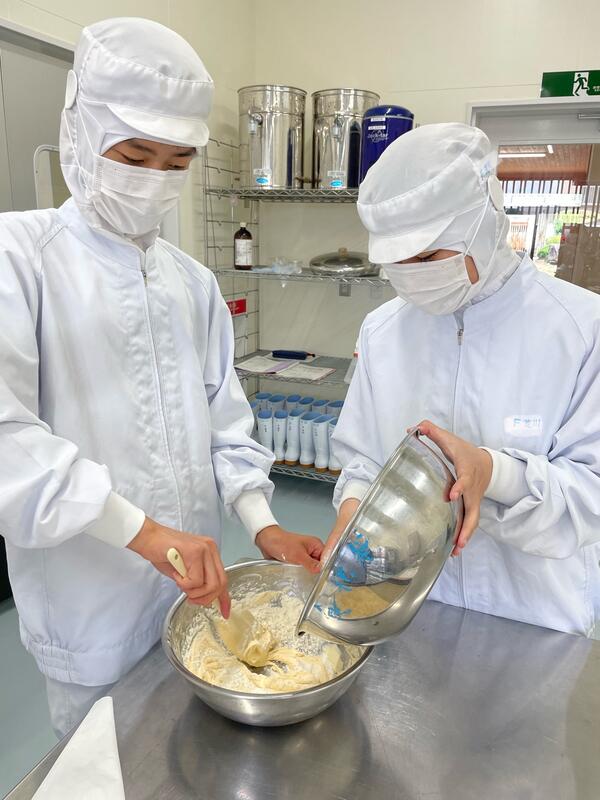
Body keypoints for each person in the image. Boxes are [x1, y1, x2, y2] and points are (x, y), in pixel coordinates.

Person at [0, 17, 322, 738]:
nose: (154, 179)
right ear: (80, 135)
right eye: (135, 154)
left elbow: (225, 422)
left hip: (195, 600)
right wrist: (140, 531)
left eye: (176, 161)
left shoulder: (191, 282)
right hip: (89, 607)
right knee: (104, 765)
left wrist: (263, 524)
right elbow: (7, 442)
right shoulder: (17, 261)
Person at [327, 122, 600, 636]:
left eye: (428, 257)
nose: (414, 274)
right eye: (398, 263)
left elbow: (592, 495)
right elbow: (363, 458)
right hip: (415, 606)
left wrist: (494, 473)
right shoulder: (383, 330)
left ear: (488, 221)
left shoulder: (582, 330)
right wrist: (352, 511)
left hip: (534, 617)